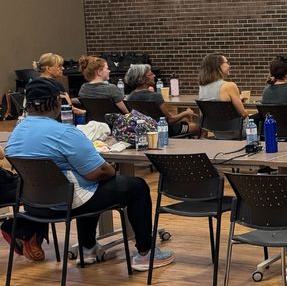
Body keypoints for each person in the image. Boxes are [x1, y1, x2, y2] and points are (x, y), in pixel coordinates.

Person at [4, 77, 174, 271]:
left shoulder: (16, 133)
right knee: (136, 187)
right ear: (57, 102)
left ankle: (88, 249)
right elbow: (99, 171)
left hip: (34, 204)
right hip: (66, 202)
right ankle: (146, 253)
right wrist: (109, 168)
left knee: (86, 186)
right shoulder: (64, 133)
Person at [125, 64, 199, 137]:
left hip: (146, 130)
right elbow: (170, 120)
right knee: (197, 127)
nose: (154, 76)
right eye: (151, 74)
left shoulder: (130, 97)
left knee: (185, 120)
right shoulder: (155, 96)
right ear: (142, 78)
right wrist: (186, 112)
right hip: (167, 130)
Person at [0, 150, 49, 261]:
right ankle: (23, 230)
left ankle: (23, 230)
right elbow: (1, 155)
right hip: (3, 187)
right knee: (39, 185)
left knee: (36, 186)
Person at [197, 52, 250, 118]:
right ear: (218, 66)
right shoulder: (230, 86)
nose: (229, 66)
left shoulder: (202, 87)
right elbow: (243, 114)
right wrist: (249, 113)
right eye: (227, 63)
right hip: (232, 127)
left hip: (208, 127)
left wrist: (237, 99)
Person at [34, 52, 84, 117]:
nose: (63, 68)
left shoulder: (32, 84)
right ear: (48, 69)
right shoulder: (56, 86)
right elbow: (68, 109)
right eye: (59, 66)